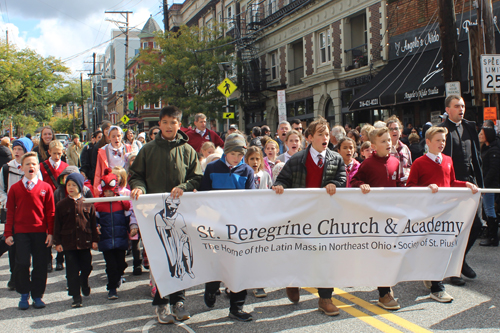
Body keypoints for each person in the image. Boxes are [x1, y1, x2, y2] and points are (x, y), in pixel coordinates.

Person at [129, 105, 202, 325]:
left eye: (174, 122)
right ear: (159, 124)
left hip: (180, 213)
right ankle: (161, 304)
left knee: (180, 255)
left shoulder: (188, 150)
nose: (170, 126)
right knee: (161, 258)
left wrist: (184, 186)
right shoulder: (148, 150)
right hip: (154, 214)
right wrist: (139, 187)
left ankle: (179, 302)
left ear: (180, 125)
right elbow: (136, 175)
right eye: (166, 122)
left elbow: (197, 177)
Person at [273, 117, 345, 316]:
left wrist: (336, 185)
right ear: (310, 138)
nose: (325, 138)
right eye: (320, 134)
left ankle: (325, 297)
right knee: (300, 252)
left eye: (327, 134)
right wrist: (280, 187)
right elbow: (283, 180)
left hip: (325, 218)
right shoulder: (297, 159)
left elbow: (342, 179)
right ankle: (293, 281)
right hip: (302, 217)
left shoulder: (336, 159)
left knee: (325, 256)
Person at [407, 126, 478, 303]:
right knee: (433, 246)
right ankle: (437, 287)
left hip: (446, 211)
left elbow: (451, 181)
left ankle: (433, 278)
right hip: (428, 212)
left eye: (444, 140)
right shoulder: (419, 163)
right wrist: (426, 188)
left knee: (444, 244)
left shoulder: (447, 160)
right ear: (428, 142)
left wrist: (465, 185)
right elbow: (409, 187)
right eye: (438, 140)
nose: (442, 143)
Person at [200, 133, 254, 321]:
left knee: (239, 263)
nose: (237, 158)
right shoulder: (212, 168)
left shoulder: (247, 170)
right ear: (226, 152)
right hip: (216, 223)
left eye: (241, 155)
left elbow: (251, 198)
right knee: (217, 260)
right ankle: (211, 287)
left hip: (238, 224)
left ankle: (237, 307)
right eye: (234, 154)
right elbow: (203, 194)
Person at [351, 127, 403, 310]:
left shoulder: (396, 162)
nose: (388, 143)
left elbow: (398, 184)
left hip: (392, 216)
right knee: (382, 252)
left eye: (389, 140)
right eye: (383, 141)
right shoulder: (367, 164)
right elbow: (354, 181)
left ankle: (386, 286)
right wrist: (362, 185)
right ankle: (383, 293)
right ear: (373, 146)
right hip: (375, 216)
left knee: (390, 252)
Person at [438, 95, 483, 286]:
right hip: (452, 186)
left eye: (463, 106)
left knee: (478, 226)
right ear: (448, 109)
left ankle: (460, 260)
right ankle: (453, 270)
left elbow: (476, 156)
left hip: (470, 184)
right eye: (457, 106)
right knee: (454, 229)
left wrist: (480, 182)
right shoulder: (442, 130)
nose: (461, 109)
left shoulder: (469, 126)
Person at [4, 151, 55, 310]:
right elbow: (10, 212)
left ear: (38, 167)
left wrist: (50, 232)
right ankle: (24, 294)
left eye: (34, 163)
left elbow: (50, 212)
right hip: (21, 232)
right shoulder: (14, 189)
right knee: (22, 263)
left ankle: (37, 295)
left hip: (40, 232)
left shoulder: (45, 188)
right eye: (27, 164)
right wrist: (8, 233)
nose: (31, 166)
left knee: (40, 264)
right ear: (21, 167)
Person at [53, 173, 98, 308]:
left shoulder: (88, 203)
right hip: (68, 242)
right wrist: (58, 242)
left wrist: (95, 240)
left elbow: (93, 223)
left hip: (84, 241)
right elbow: (57, 224)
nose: (71, 188)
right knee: (71, 271)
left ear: (80, 186)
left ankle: (84, 281)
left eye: (74, 185)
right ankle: (75, 296)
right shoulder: (61, 204)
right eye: (68, 185)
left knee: (86, 266)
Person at [0, 138, 38, 291]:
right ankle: (14, 276)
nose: (16, 152)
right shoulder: (6, 168)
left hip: (28, 212)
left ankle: (24, 275)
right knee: (12, 244)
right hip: (12, 211)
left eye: (20, 149)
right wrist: (8, 201)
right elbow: (1, 189)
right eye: (14, 149)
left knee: (25, 245)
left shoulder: (33, 167)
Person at [94, 168, 131, 300]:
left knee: (121, 264)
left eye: (111, 191)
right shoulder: (98, 204)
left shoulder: (122, 202)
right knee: (110, 266)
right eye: (106, 191)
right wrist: (96, 227)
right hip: (106, 239)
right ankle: (112, 288)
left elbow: (129, 218)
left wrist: (132, 228)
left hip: (121, 239)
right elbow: (95, 220)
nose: (108, 193)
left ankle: (119, 276)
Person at [112, 166, 141, 274]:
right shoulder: (109, 192)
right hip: (118, 221)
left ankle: (137, 264)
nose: (115, 178)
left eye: (117, 176)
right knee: (122, 244)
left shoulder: (127, 192)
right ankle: (120, 265)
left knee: (135, 243)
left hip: (130, 219)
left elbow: (133, 206)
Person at [94, 126, 132, 197]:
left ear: (122, 136)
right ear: (109, 137)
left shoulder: (128, 148)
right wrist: (97, 190)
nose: (116, 138)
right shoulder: (103, 151)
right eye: (113, 136)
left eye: (118, 136)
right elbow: (98, 172)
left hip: (125, 183)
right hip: (110, 184)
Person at [478, 126, 500, 246]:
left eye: (482, 134)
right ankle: (491, 235)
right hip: (487, 184)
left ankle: (493, 237)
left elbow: (493, 170)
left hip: (490, 185)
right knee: (488, 209)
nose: (480, 136)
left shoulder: (493, 150)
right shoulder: (487, 148)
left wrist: (484, 184)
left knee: (489, 209)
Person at [387, 116, 412, 182]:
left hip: (403, 186)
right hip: (390, 185)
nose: (394, 131)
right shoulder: (385, 148)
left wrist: (407, 175)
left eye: (396, 128)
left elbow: (409, 166)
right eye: (391, 129)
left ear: (400, 131)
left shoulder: (405, 148)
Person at [90, 121, 112, 186]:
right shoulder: (98, 145)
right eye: (106, 129)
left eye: (109, 129)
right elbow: (94, 162)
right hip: (102, 173)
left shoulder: (115, 142)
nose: (108, 131)